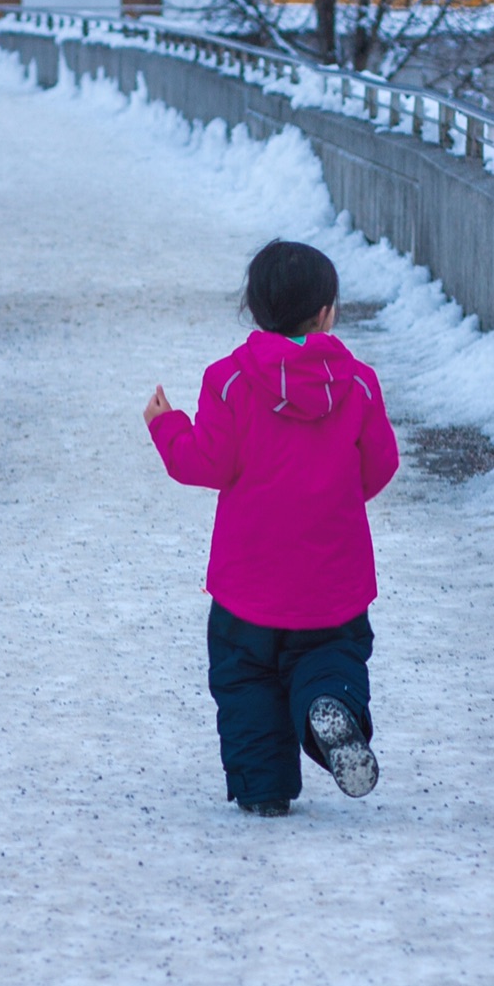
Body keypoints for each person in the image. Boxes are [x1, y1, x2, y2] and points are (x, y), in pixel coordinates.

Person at [144, 239, 400, 817]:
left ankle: (264, 789)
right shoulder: (358, 384)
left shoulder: (230, 381)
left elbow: (203, 464)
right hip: (334, 585)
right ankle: (326, 707)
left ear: (254, 310)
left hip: (247, 586)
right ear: (328, 312)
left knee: (246, 683)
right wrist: (332, 497)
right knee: (332, 662)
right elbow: (380, 466)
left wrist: (168, 426)